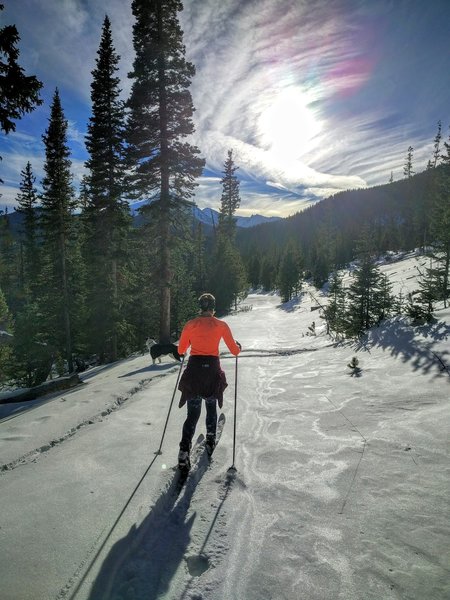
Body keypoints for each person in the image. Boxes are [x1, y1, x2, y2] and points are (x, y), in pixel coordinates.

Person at [176, 293, 241, 470]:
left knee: (192, 415)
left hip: (194, 372)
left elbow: (181, 350)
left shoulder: (190, 324)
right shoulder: (221, 325)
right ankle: (211, 438)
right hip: (212, 371)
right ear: (213, 307)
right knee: (211, 407)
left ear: (200, 306)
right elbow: (234, 351)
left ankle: (183, 451)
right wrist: (238, 347)